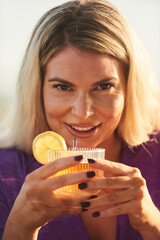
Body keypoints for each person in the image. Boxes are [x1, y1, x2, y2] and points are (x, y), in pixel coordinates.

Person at [0, 0, 160, 239]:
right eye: (63, 87)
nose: (83, 111)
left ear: (129, 88)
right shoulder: (5, 173)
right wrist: (18, 230)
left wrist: (153, 226)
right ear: (38, 89)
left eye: (104, 86)